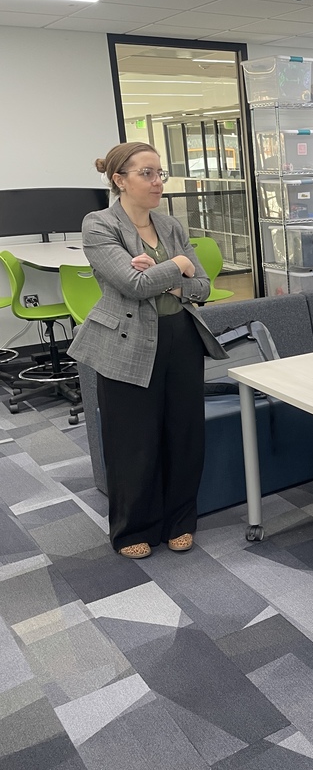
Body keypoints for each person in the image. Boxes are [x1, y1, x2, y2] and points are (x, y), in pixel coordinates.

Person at [69, 142, 227, 559]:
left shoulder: (170, 225)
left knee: (184, 434)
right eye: (147, 174)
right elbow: (132, 285)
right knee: (132, 440)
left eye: (160, 174)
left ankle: (180, 521)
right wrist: (178, 265)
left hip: (180, 336)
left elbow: (203, 288)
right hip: (126, 340)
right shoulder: (99, 224)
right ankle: (133, 528)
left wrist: (168, 273)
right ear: (120, 179)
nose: (158, 182)